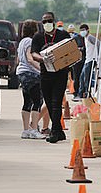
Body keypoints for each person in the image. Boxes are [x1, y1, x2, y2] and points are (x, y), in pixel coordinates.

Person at [30, 11, 73, 143]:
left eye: (49, 21)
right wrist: (43, 59)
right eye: (44, 21)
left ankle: (54, 131)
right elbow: (33, 54)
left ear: (53, 22)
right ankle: (59, 131)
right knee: (49, 103)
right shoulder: (38, 37)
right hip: (45, 75)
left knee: (56, 103)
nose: (47, 23)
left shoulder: (63, 35)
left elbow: (70, 50)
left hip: (60, 74)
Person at [17, 20, 45, 139]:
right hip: (31, 75)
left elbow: (19, 59)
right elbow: (30, 58)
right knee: (37, 101)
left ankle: (25, 130)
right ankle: (34, 129)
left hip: (22, 74)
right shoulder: (30, 41)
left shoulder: (22, 42)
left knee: (27, 102)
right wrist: (42, 69)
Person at [78, 24, 98, 98]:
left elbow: (98, 43)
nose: (82, 32)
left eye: (83, 30)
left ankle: (87, 94)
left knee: (87, 78)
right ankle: (81, 94)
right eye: (81, 30)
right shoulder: (85, 38)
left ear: (87, 30)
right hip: (87, 60)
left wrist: (97, 56)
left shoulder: (90, 37)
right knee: (82, 77)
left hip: (91, 60)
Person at [69, 24, 86, 100]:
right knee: (76, 77)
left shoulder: (87, 38)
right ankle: (76, 93)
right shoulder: (76, 38)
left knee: (83, 77)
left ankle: (82, 92)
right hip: (76, 61)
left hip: (84, 60)